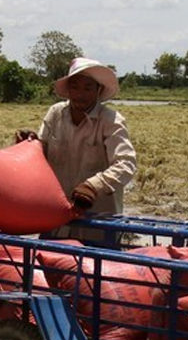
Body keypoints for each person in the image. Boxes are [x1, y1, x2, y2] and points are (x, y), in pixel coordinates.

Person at [15, 57, 136, 229]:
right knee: (53, 247)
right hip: (58, 213)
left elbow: (126, 164)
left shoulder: (110, 121)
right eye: (75, 87)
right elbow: (42, 153)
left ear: (98, 90)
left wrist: (94, 186)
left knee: (94, 246)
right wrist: (30, 145)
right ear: (68, 89)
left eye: (88, 88)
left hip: (98, 218)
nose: (80, 94)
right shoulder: (56, 113)